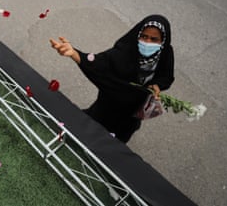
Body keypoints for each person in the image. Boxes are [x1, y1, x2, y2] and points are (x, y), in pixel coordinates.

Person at [50, 14, 174, 143]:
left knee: (117, 140)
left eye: (154, 39)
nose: (147, 42)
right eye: (144, 36)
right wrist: (75, 54)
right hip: (109, 105)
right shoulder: (123, 51)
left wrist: (157, 85)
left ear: (163, 41)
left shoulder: (165, 54)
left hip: (132, 114)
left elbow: (167, 76)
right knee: (91, 128)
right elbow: (98, 64)